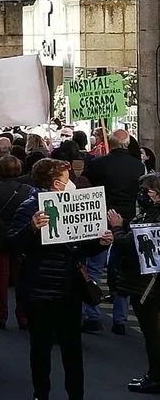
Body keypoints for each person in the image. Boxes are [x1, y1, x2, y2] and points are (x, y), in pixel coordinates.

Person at [8, 158, 113, 400]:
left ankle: (75, 394)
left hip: (69, 287)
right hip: (40, 288)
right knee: (41, 348)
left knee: (72, 348)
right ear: (57, 184)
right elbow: (11, 243)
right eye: (68, 179)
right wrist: (31, 229)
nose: (72, 184)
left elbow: (80, 247)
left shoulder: (73, 204)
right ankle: (41, 393)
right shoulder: (29, 206)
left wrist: (99, 242)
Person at [82, 131, 143, 334]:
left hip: (101, 217)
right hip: (125, 219)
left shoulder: (99, 164)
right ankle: (120, 320)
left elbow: (87, 187)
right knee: (122, 268)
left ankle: (92, 315)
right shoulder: (138, 165)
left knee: (94, 267)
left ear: (111, 144)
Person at [110, 173, 160, 392]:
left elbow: (131, 245)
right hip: (150, 283)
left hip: (149, 285)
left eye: (146, 191)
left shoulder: (152, 217)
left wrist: (118, 227)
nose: (143, 195)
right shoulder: (150, 215)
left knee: (153, 334)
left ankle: (156, 376)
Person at [0, 155, 32, 330]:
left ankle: (0, 314)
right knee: (21, 278)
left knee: (0, 279)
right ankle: (23, 315)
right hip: (21, 237)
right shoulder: (27, 190)